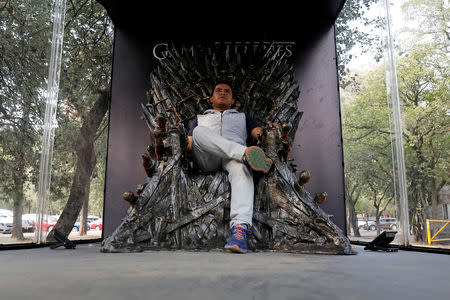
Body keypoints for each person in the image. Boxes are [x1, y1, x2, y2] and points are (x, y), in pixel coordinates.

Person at [187, 82, 275, 254]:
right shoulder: (200, 118)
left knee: (242, 170)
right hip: (208, 157)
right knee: (198, 132)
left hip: (233, 158)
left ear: (233, 99)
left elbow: (258, 132)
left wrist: (267, 132)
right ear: (211, 98)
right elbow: (190, 144)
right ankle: (246, 154)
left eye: (227, 91)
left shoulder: (243, 117)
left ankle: (239, 231)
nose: (222, 92)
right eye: (218, 90)